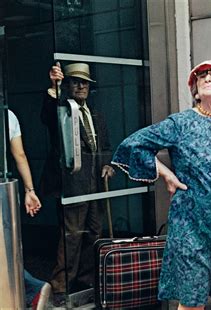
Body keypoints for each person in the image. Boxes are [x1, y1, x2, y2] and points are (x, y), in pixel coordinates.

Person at [112, 59, 211, 309]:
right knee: (191, 301)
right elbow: (132, 145)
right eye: (201, 76)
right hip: (190, 227)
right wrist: (166, 173)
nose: (206, 78)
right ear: (195, 91)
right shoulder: (180, 123)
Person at [40, 62, 115, 305]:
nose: (81, 86)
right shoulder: (62, 109)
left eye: (85, 82)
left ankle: (85, 280)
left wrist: (107, 165)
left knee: (94, 232)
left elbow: (103, 146)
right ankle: (61, 287)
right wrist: (54, 88)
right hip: (72, 183)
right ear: (68, 85)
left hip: (94, 183)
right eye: (75, 81)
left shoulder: (95, 114)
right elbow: (48, 116)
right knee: (71, 236)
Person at [8, 109, 51, 309]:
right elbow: (20, 155)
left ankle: (32, 288)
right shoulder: (8, 115)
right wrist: (29, 190)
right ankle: (33, 290)